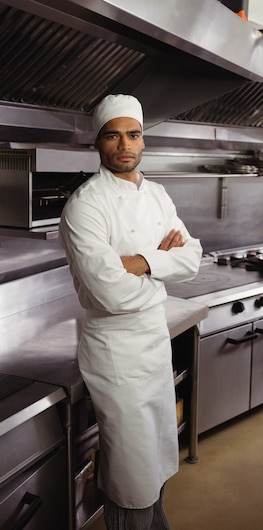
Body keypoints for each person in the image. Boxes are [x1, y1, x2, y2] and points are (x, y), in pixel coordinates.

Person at [59, 94, 202, 530]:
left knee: (157, 464)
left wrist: (137, 262)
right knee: (130, 475)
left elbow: (192, 259)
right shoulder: (86, 205)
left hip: (154, 345)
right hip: (116, 352)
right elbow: (110, 294)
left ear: (143, 141)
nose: (125, 144)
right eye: (113, 135)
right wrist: (159, 261)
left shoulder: (157, 195)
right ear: (99, 144)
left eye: (133, 134)